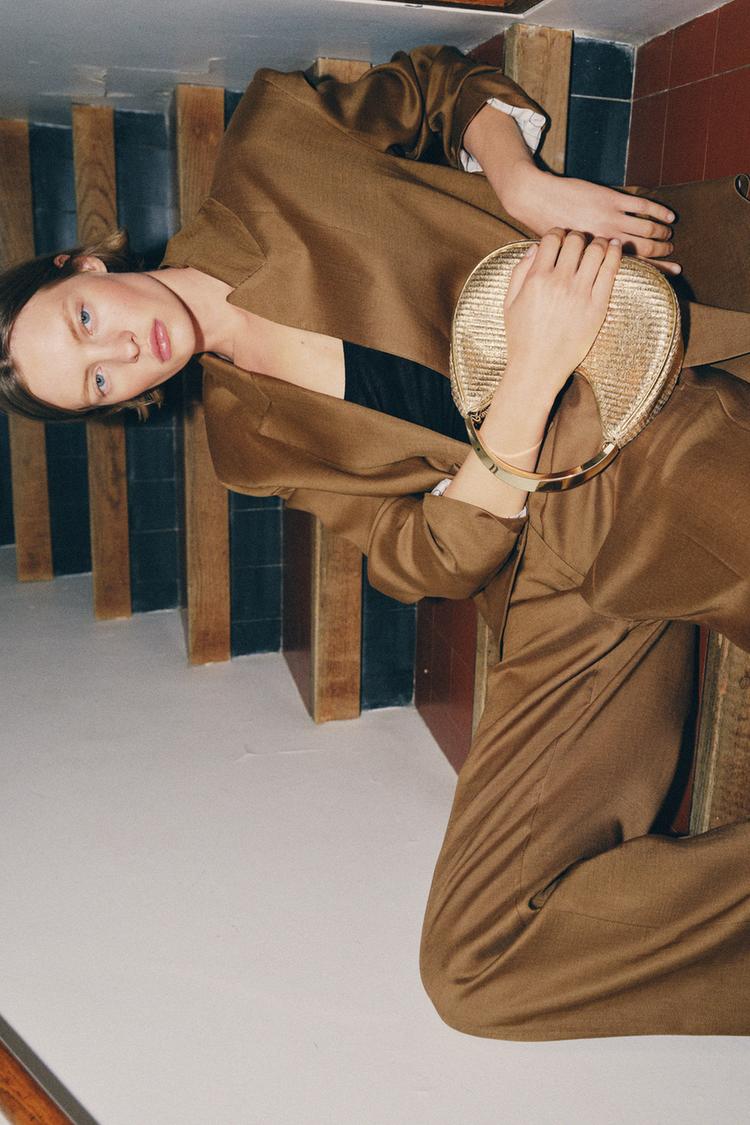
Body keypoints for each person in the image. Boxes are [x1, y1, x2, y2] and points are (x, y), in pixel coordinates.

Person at [1, 45, 750, 1040]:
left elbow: (441, 83)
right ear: (118, 406)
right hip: (557, 557)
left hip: (635, 402)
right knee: (478, 967)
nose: (122, 351)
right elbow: (420, 561)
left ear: (84, 265)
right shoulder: (244, 443)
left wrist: (517, 181)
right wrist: (527, 384)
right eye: (98, 381)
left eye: (85, 320)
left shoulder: (270, 148)